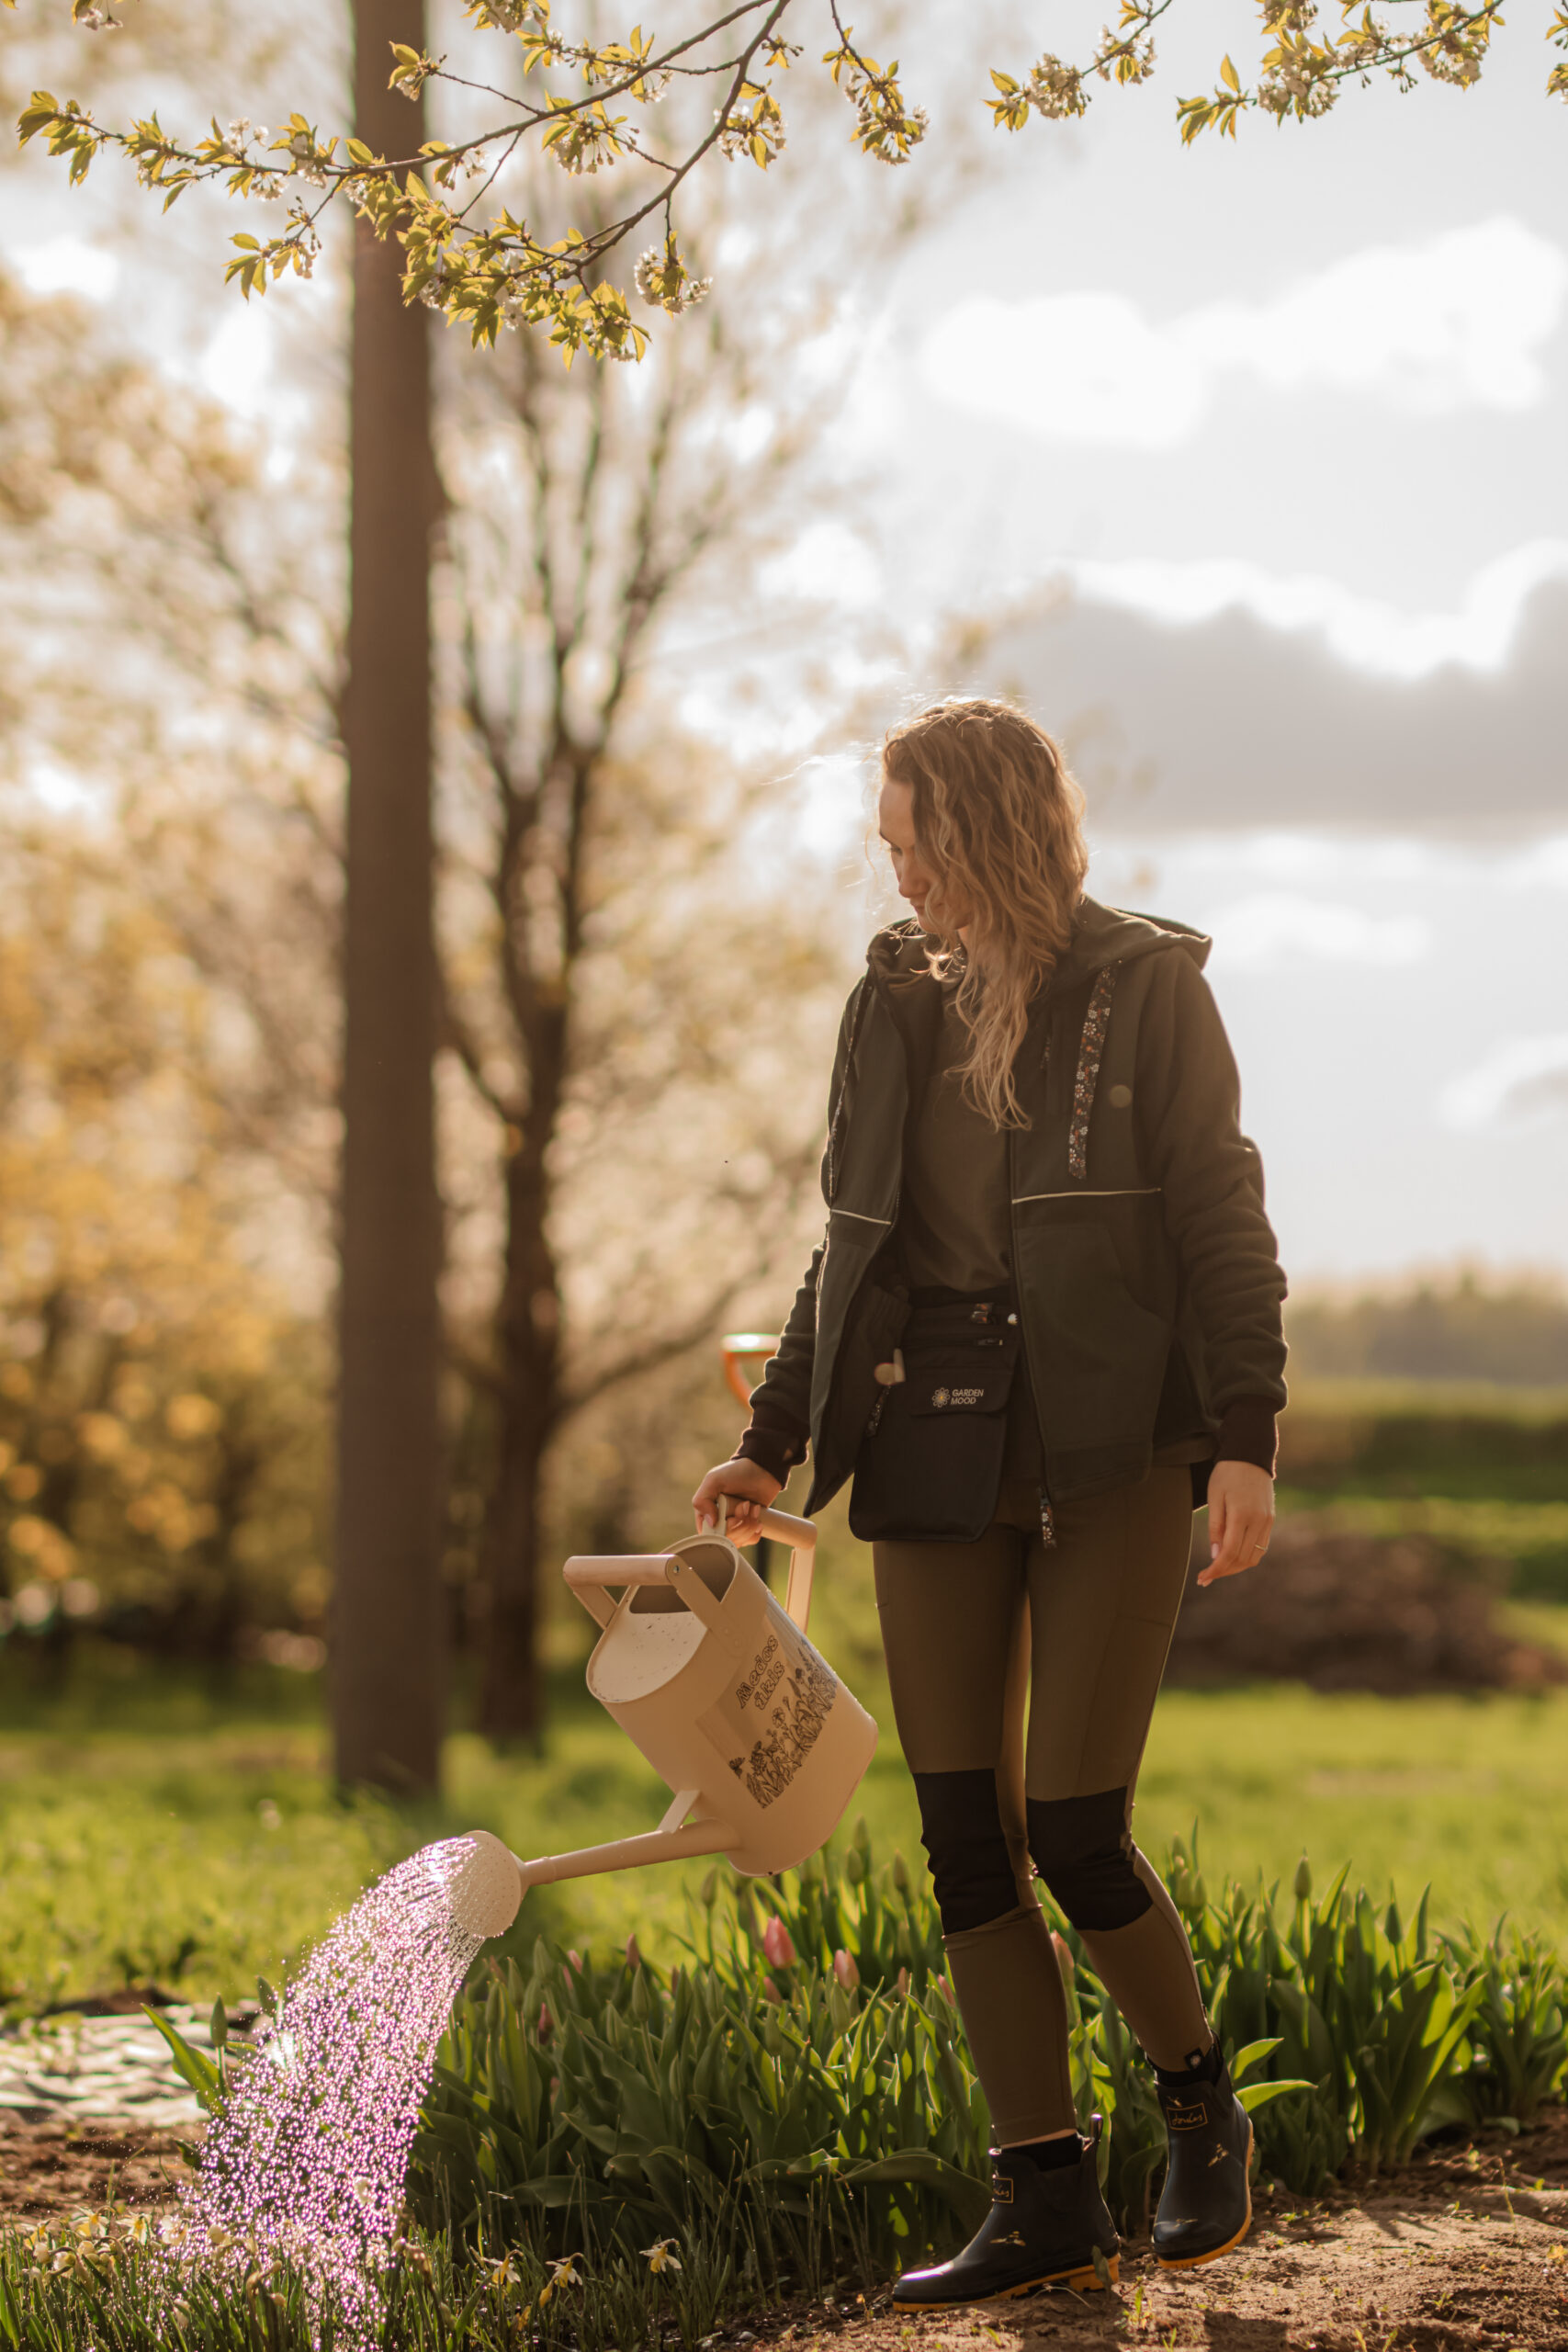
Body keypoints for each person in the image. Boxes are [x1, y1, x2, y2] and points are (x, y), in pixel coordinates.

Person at [693, 697, 1287, 2308]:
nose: (899, 882)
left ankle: (1196, 2103)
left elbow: (1225, 1214)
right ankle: (1043, 2200)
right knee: (966, 1839)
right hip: (936, 1441)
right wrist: (778, 1431)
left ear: (986, 833)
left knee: (1077, 1828)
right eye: (886, 851)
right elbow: (852, 1240)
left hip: (1115, 1449)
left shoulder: (1149, 989)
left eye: (914, 846)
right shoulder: (884, 1005)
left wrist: (1246, 1433)